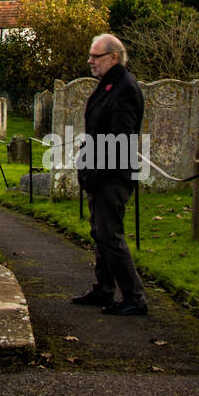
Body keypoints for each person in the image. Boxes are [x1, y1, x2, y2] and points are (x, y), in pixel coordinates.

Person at [72, 32, 148, 316]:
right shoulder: (109, 84)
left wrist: (95, 173)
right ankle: (104, 289)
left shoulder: (124, 87)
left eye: (96, 56)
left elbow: (119, 139)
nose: (90, 61)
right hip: (99, 173)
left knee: (110, 236)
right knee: (100, 233)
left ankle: (134, 297)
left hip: (111, 175)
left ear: (113, 57)